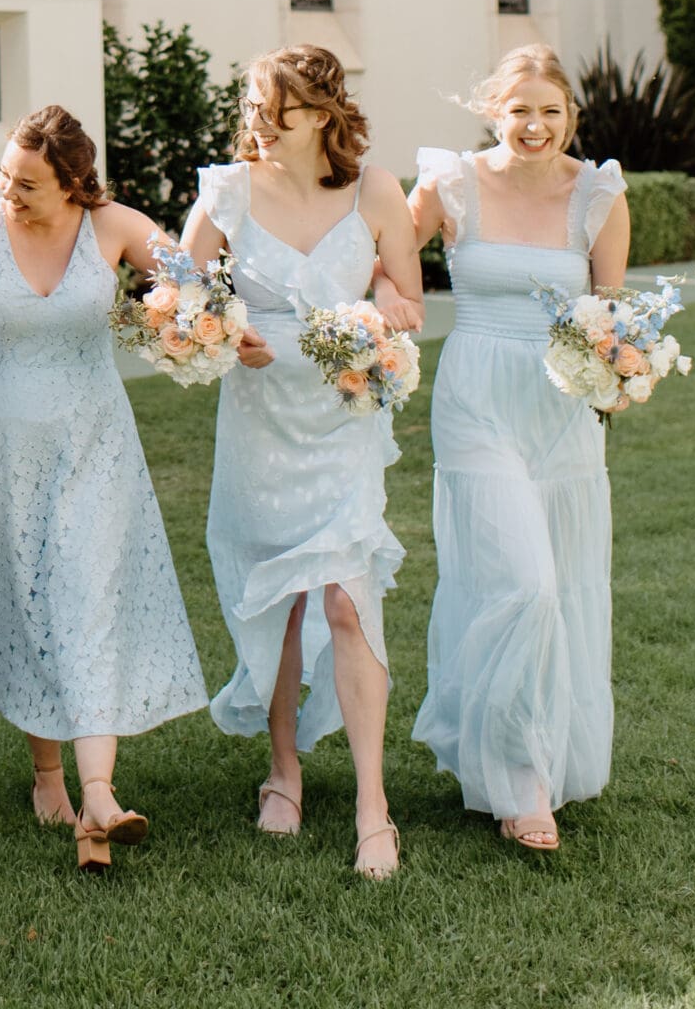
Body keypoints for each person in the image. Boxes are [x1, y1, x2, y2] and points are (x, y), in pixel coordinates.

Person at [0, 104, 206, 871]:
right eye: (5, 175)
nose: (10, 190)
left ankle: (98, 796)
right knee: (26, 602)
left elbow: (194, 282)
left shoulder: (111, 228)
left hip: (93, 447)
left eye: (29, 183)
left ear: (74, 183)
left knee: (86, 598)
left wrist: (182, 320)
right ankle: (49, 776)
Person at [181, 44, 422, 882]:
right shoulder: (228, 191)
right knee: (279, 599)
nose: (256, 120)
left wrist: (388, 302)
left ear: (319, 115)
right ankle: (282, 771)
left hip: (343, 413)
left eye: (272, 106)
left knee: (347, 605)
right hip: (257, 418)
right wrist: (217, 331)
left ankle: (371, 804)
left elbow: (409, 295)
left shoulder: (374, 191)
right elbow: (182, 295)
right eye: (251, 104)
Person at [405, 44, 629, 852]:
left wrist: (623, 364)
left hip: (559, 407)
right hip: (475, 400)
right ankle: (515, 780)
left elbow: (608, 311)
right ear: (492, 111)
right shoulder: (451, 182)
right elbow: (385, 261)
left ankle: (538, 755)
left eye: (550, 111)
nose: (534, 126)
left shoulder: (597, 194)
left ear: (570, 115)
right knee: (521, 584)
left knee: (561, 583)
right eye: (518, 110)